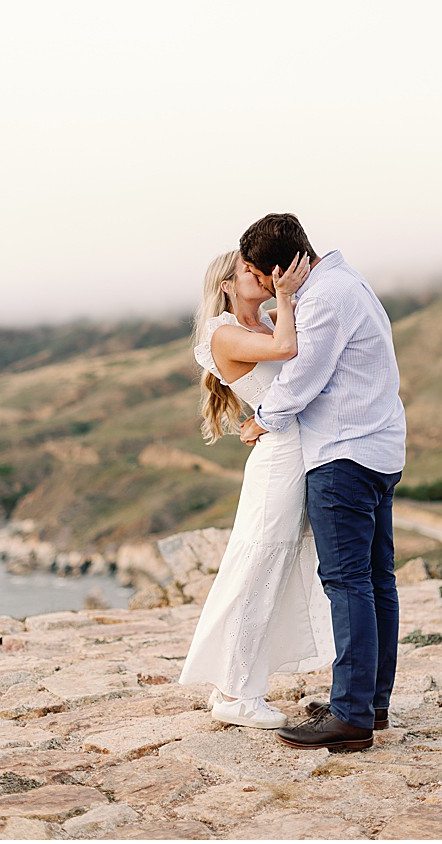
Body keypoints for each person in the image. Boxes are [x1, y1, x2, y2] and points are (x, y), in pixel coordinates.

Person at [236, 213, 408, 752]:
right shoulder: (345, 279)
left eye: (261, 277)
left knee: (348, 581)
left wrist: (262, 418)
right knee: (377, 580)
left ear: (278, 271)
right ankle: (369, 702)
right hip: (378, 449)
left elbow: (304, 376)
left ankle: (351, 716)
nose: (261, 287)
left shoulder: (324, 299)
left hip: (344, 456)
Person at [180, 249, 330, 729]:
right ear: (227, 283)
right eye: (251, 269)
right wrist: (288, 296)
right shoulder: (222, 331)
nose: (265, 275)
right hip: (278, 463)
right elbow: (289, 352)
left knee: (279, 568)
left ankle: (241, 683)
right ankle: (234, 693)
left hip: (297, 453)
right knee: (258, 568)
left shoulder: (265, 321)